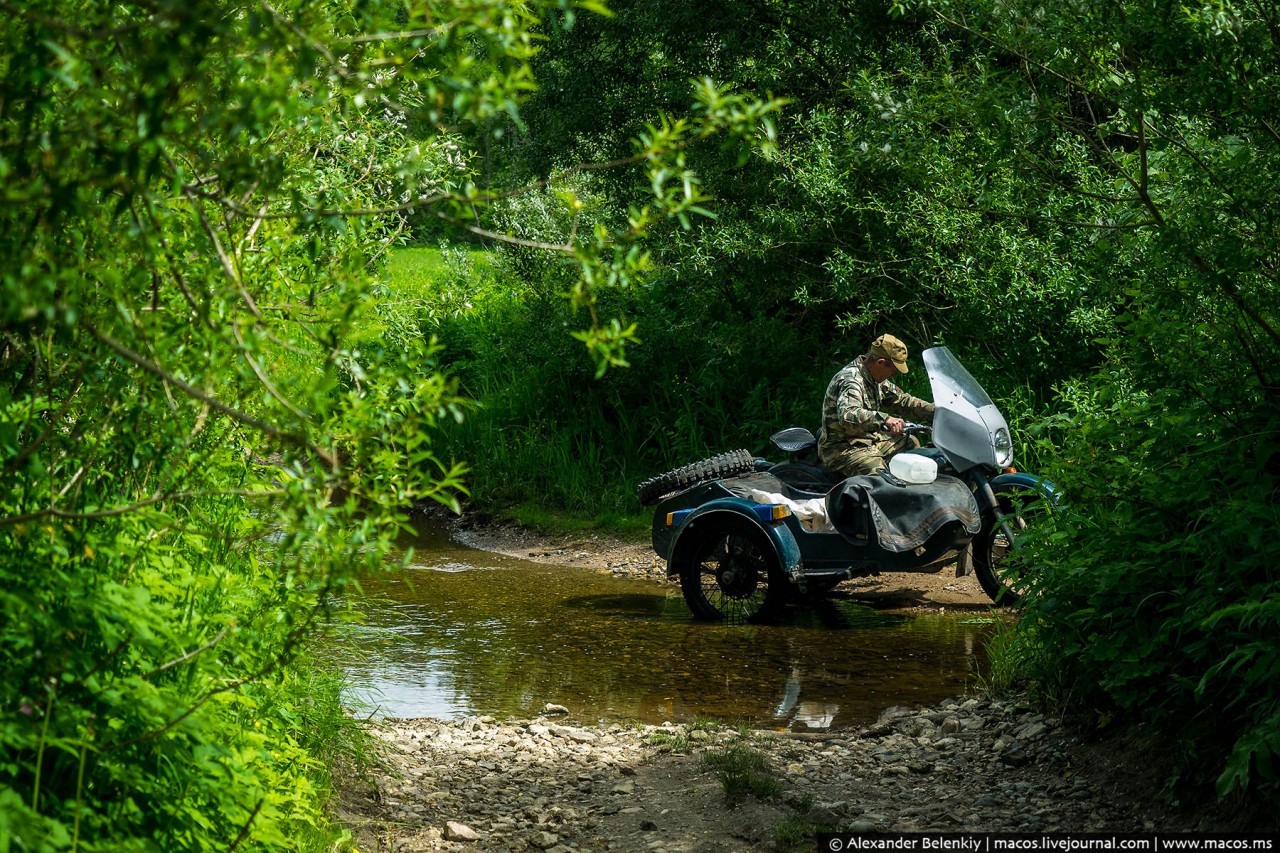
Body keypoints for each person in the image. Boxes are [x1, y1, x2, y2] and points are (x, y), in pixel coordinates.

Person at [817, 333, 936, 477]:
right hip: (843, 448)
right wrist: (885, 419)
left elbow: (903, 401)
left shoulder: (875, 379)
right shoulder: (851, 380)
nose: (893, 375)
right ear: (880, 363)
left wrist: (937, 411)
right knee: (880, 477)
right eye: (893, 370)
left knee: (911, 445)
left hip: (869, 440)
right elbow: (848, 415)